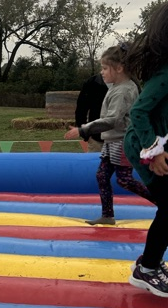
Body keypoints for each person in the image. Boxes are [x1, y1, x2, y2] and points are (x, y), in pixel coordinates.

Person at [122, 0, 168, 297]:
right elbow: (139, 111)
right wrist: (154, 152)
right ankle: (147, 268)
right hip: (151, 146)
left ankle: (151, 263)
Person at [64, 45, 152, 225]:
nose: (101, 72)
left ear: (119, 68)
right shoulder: (116, 87)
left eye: (105, 68)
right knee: (102, 176)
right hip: (111, 141)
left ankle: (165, 202)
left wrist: (83, 129)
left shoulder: (124, 90)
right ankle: (107, 215)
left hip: (122, 141)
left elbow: (111, 119)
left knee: (124, 179)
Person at [74, 72, 108, 150]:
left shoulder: (127, 84)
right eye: (103, 68)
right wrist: (86, 135)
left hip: (121, 140)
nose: (103, 71)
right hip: (96, 139)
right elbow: (81, 109)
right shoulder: (92, 83)